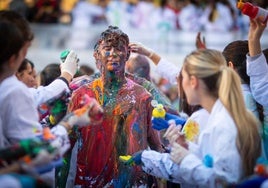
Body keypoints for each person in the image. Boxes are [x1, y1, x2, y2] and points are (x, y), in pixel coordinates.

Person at [121, 48, 261, 187]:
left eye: (182, 78)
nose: (180, 84)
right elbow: (203, 162)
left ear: (193, 82)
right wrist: (183, 148)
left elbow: (222, 182)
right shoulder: (209, 116)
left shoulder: (224, 124)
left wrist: (185, 158)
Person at [65, 25, 164, 187]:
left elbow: (155, 146)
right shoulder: (81, 96)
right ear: (97, 54)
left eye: (119, 48)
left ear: (128, 54)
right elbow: (66, 150)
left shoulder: (142, 96)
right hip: (89, 182)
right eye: (107, 48)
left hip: (132, 182)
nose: (114, 54)